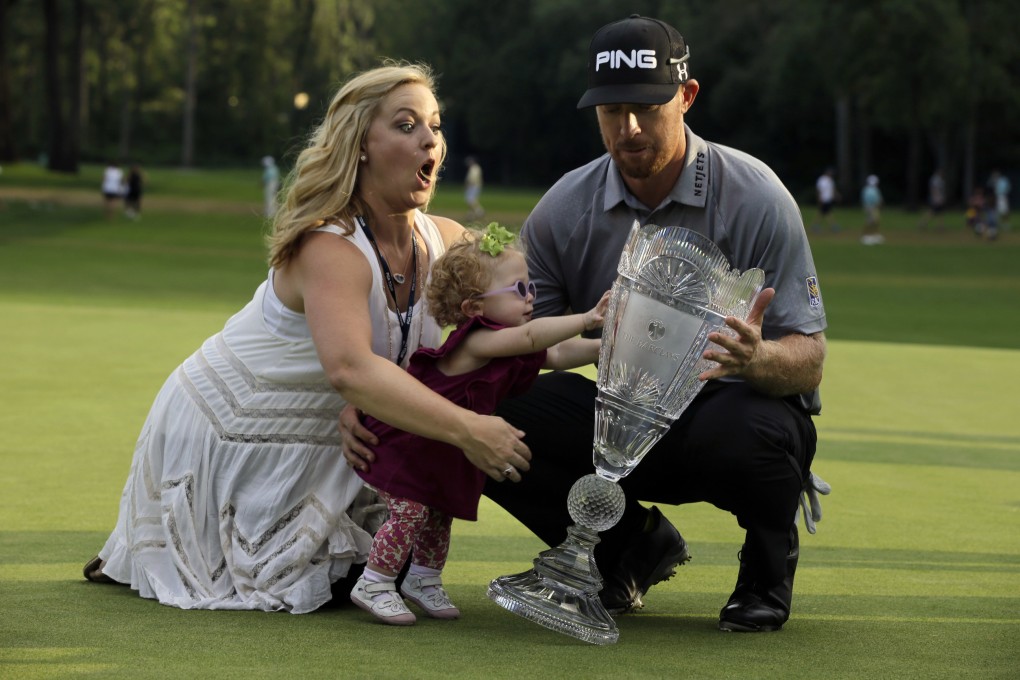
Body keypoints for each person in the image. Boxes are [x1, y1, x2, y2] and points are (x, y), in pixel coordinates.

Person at [354, 15, 827, 634]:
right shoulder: (566, 207)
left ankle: (765, 571)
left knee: (756, 433)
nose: (627, 128)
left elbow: (809, 355)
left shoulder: (756, 196)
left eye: (645, 107)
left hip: (726, 414)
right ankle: (627, 550)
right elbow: (516, 351)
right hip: (616, 423)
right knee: (485, 408)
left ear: (685, 98)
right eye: (610, 110)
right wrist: (380, 398)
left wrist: (756, 359)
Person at [82, 62, 532, 614]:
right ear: (360, 145)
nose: (429, 141)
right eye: (407, 125)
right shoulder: (331, 247)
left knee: (373, 568)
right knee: (315, 587)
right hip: (239, 427)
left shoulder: (446, 241)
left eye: (435, 127)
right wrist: (463, 428)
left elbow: (519, 304)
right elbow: (349, 369)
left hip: (338, 438)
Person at [350, 224, 610, 625]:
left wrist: (605, 345)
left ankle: (424, 578)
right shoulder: (478, 340)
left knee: (439, 514)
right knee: (410, 513)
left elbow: (554, 351)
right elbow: (533, 338)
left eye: (531, 288)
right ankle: (375, 580)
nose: (530, 299)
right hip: (408, 444)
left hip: (442, 450)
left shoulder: (509, 343)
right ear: (474, 308)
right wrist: (588, 317)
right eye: (518, 291)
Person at [813, 167, 839, 233]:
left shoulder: (831, 181)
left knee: (824, 212)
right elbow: (819, 189)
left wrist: (835, 195)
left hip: (828, 199)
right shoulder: (822, 180)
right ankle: (833, 225)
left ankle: (816, 225)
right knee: (826, 212)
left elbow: (832, 189)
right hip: (823, 198)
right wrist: (819, 197)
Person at [860, 174, 884, 245]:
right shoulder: (870, 190)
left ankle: (873, 235)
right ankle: (867, 236)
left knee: (875, 221)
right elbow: (878, 200)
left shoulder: (867, 189)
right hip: (871, 208)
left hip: (871, 207)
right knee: (871, 221)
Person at [464, 156, 484, 221]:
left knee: (471, 200)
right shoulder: (474, 168)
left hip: (473, 186)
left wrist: (468, 185)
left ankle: (480, 212)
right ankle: (470, 215)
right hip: (474, 186)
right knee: (471, 201)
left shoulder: (474, 168)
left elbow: (472, 179)